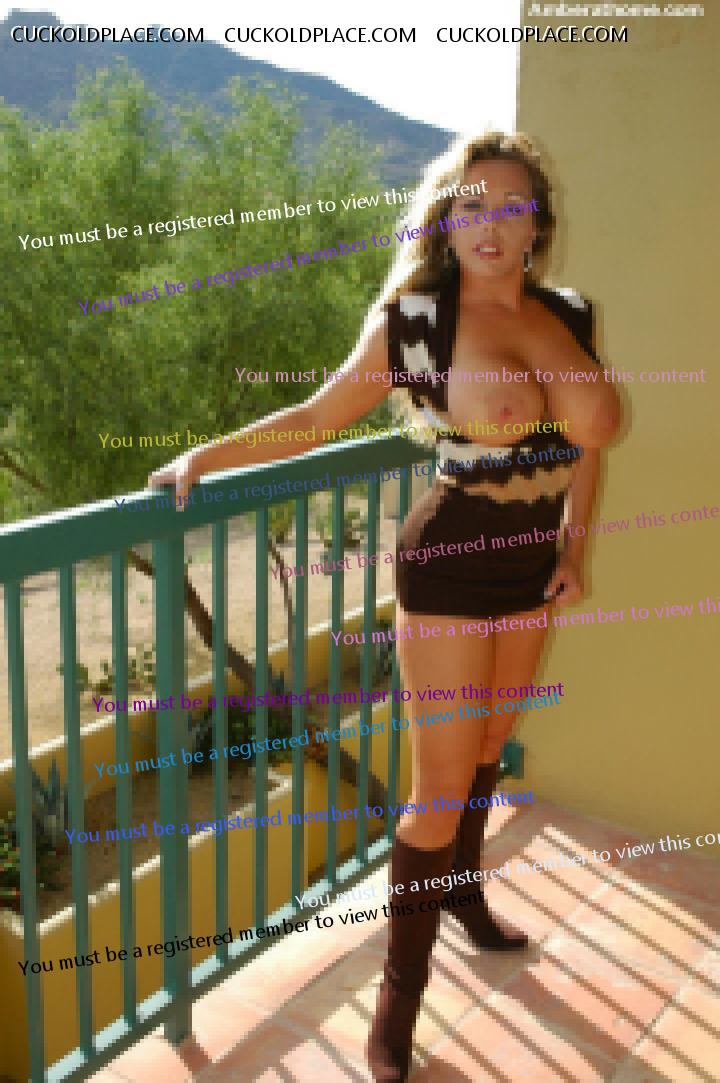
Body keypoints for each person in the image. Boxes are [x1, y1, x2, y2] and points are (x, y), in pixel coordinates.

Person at [149, 131, 621, 1083]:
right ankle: (396, 1010)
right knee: (436, 792)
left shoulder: (568, 312)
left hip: (532, 569)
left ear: (538, 223)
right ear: (447, 218)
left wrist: (573, 546)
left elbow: (586, 444)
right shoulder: (417, 322)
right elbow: (319, 417)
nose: (492, 223)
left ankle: (464, 895)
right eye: (473, 203)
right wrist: (206, 456)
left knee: (490, 744)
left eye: (513, 204)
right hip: (449, 567)